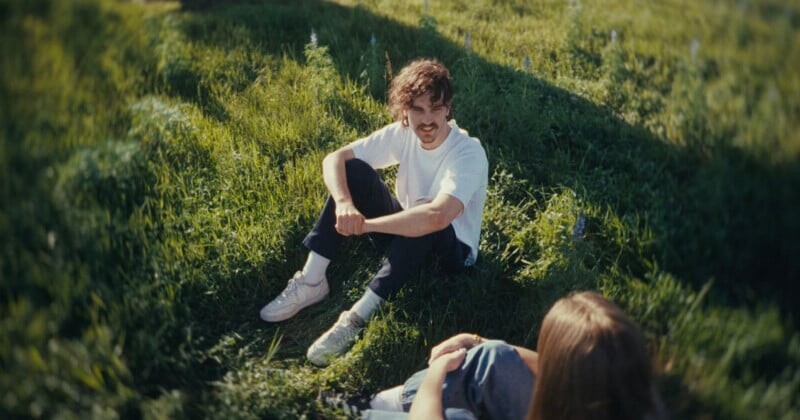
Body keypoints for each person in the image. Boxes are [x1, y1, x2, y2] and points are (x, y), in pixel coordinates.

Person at [259, 58, 489, 366]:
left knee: (422, 217)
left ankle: (356, 317)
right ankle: (313, 280)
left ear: (448, 108)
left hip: (450, 254)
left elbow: (438, 216)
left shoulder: (467, 151)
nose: (428, 120)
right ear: (404, 110)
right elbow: (334, 159)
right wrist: (344, 204)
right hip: (407, 231)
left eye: (436, 108)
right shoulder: (403, 133)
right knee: (353, 169)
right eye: (418, 110)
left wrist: (365, 225)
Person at [363, 291, 665, 420]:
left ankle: (352, 410)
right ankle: (386, 401)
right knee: (496, 358)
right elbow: (551, 368)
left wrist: (437, 373)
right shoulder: (638, 401)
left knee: (454, 417)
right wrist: (479, 342)